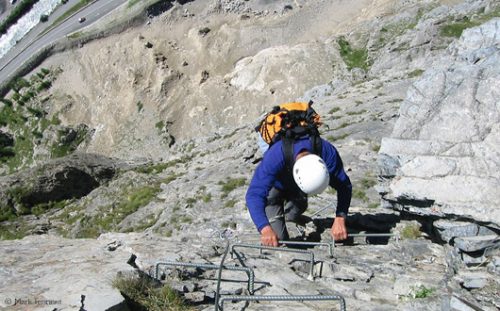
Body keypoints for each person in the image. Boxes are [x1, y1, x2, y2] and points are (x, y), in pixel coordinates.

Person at [246, 135, 352, 246]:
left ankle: (290, 216)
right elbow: (253, 195)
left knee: (293, 214)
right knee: (278, 241)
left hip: (296, 191)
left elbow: (344, 186)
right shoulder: (275, 156)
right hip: (275, 189)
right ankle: (281, 215)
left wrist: (340, 218)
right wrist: (264, 228)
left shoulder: (326, 151)